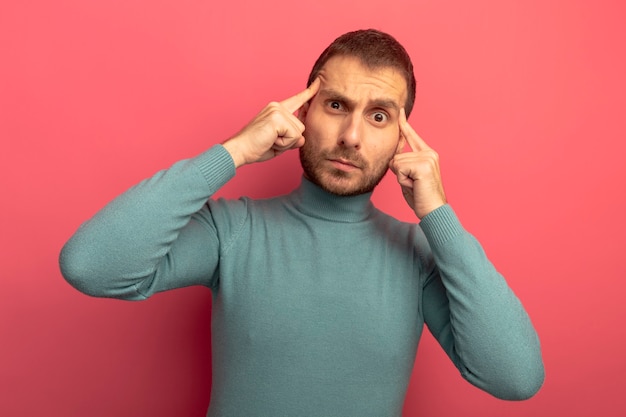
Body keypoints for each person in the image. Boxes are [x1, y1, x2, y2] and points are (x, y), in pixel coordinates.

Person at [60, 29, 544, 417]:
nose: (352, 137)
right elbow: (90, 265)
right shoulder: (233, 231)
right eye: (336, 106)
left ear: (402, 140)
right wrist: (233, 152)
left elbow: (516, 377)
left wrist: (438, 215)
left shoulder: (417, 256)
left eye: (379, 116)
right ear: (303, 113)